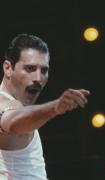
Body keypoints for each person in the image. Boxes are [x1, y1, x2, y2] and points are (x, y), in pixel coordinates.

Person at [0, 33, 90, 179]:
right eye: (30, 68)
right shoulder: (4, 103)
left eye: (44, 70)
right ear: (8, 68)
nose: (38, 79)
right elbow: (12, 119)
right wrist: (55, 107)